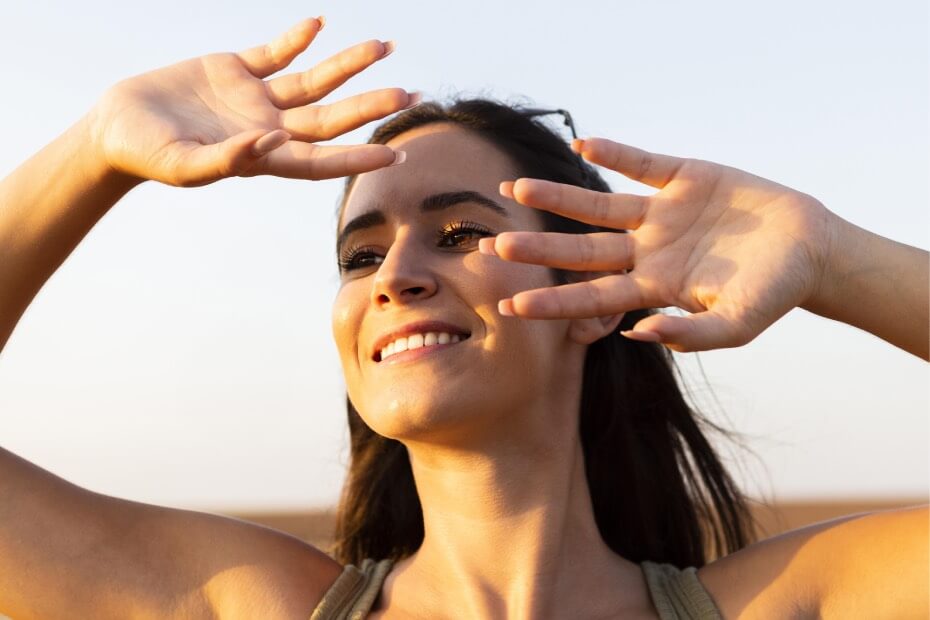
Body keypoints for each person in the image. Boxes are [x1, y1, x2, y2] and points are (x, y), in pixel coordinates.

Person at [0, 17, 925, 620]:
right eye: (360, 256)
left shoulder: (786, 605)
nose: (396, 274)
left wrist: (840, 260)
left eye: (458, 234)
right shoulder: (246, 605)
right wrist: (92, 154)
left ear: (592, 300)